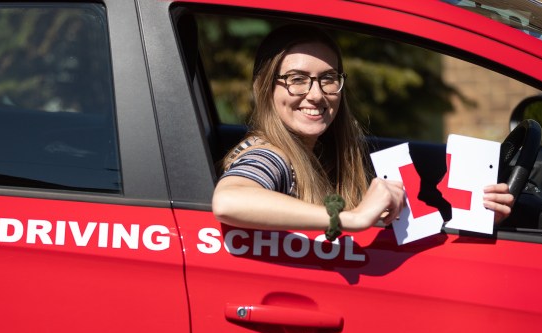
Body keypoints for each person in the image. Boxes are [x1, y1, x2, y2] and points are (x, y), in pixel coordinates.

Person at [212, 24, 513, 238]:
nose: (316, 94)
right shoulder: (270, 156)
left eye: (328, 78)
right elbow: (229, 201)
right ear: (265, 87)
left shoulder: (320, 151)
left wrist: (477, 215)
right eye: (297, 79)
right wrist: (350, 219)